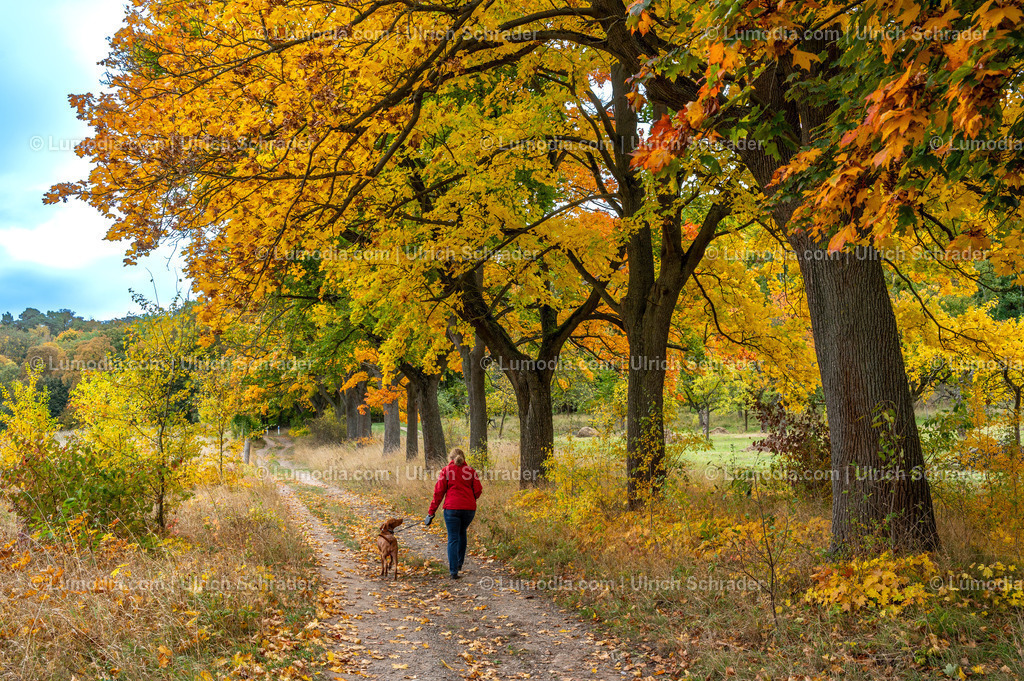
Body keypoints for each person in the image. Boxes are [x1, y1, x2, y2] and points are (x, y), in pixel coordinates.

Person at [426, 448, 483, 579]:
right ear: (463, 458)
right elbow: (478, 490)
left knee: (453, 538)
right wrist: (470, 498)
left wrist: (431, 513)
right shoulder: (471, 471)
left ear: (450, 458)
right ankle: (459, 564)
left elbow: (438, 493)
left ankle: (453, 572)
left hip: (451, 509)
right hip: (469, 510)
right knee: (462, 532)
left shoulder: (446, 471)